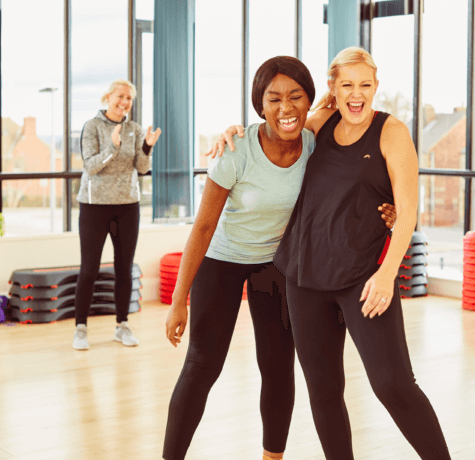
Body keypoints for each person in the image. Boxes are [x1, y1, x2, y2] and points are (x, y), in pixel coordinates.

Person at [212, 47, 450, 459]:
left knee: (393, 385)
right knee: (323, 391)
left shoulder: (391, 132)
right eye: (347, 85)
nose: (356, 95)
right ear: (332, 87)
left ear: (376, 86)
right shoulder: (321, 123)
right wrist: (233, 132)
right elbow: (273, 128)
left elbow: (408, 211)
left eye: (365, 85)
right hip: (304, 279)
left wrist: (387, 273)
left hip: (364, 279)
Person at [163, 56, 396, 460]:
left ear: (309, 102)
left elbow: (353, 170)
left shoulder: (316, 143)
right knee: (202, 366)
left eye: (295, 97)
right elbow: (202, 228)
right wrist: (179, 298)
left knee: (277, 367)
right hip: (223, 260)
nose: (285, 107)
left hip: (278, 266)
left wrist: (388, 210)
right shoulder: (236, 150)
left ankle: (273, 458)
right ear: (260, 104)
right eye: (274, 98)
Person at [72, 79, 161, 349]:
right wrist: (113, 146)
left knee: (124, 269)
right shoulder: (92, 127)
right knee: (89, 270)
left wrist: (147, 146)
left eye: (129, 99)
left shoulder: (134, 129)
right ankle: (80, 329)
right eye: (120, 96)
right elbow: (90, 167)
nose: (124, 102)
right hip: (95, 206)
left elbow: (142, 168)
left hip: (127, 206)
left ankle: (122, 325)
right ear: (108, 97)